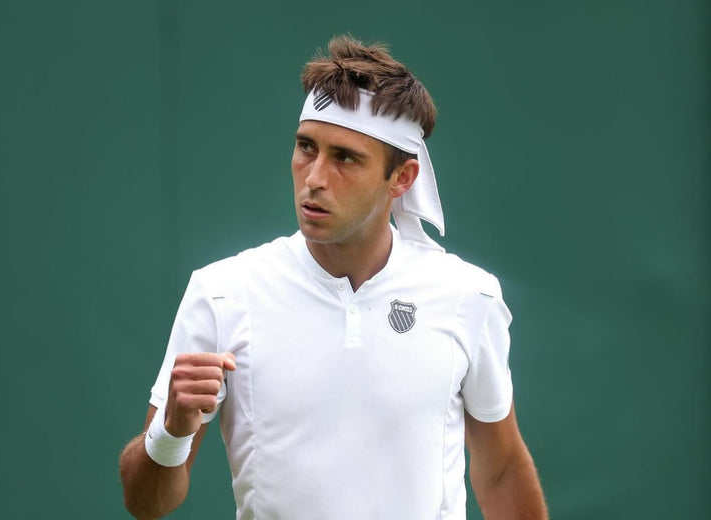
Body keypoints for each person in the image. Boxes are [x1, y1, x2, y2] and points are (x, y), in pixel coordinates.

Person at [119, 35, 548, 520]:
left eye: (345, 157)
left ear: (402, 179)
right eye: (306, 147)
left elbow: (500, 469)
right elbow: (146, 504)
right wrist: (170, 432)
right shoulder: (222, 293)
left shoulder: (469, 297)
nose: (314, 177)